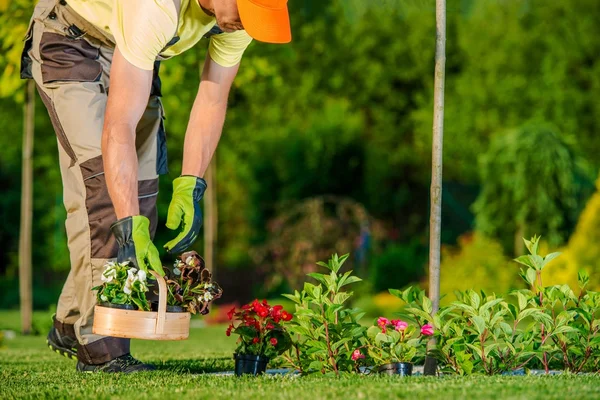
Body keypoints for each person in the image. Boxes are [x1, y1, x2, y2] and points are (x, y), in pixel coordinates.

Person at [20, 0, 291, 373]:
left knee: (141, 193)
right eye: (248, 14)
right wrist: (129, 222)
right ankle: (102, 350)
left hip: (129, 50)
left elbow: (212, 98)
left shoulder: (236, 19)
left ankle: (70, 322)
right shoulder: (154, 7)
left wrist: (191, 185)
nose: (247, 25)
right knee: (108, 194)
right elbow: (118, 129)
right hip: (71, 42)